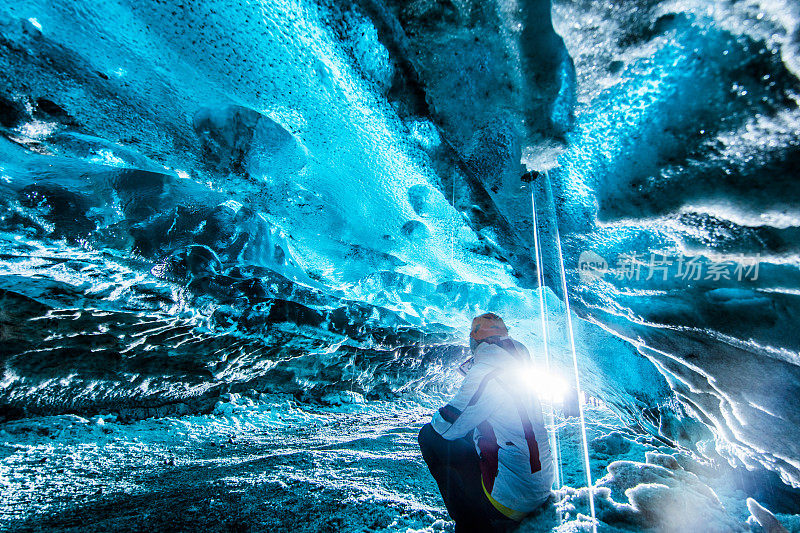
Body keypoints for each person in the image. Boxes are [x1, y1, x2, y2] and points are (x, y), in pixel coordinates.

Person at [418, 313, 555, 532]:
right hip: (540, 483)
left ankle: (471, 524)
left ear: (474, 339)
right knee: (473, 428)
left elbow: (446, 427)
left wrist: (468, 386)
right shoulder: (519, 357)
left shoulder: (485, 371)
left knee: (429, 437)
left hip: (514, 499)